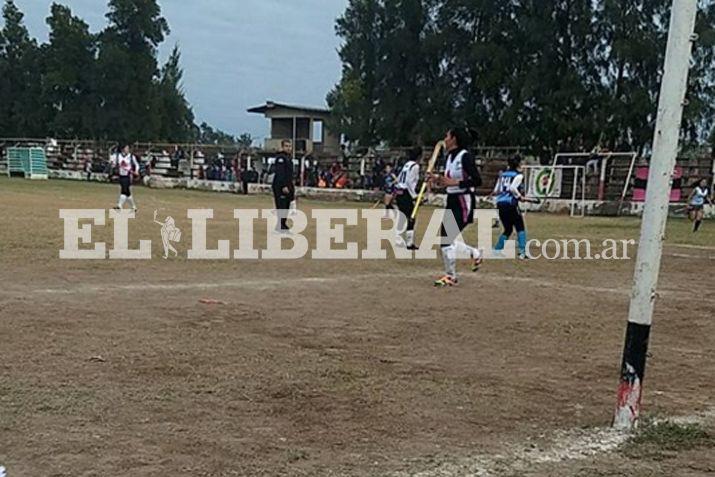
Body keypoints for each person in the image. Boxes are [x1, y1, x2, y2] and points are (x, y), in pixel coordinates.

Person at [428, 128, 484, 287]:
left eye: (447, 136)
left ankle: (451, 276)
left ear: (454, 139)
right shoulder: (449, 157)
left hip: (463, 200)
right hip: (452, 199)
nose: (444, 139)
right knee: (446, 238)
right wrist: (437, 179)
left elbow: (477, 180)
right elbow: (449, 180)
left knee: (447, 238)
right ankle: (474, 253)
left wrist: (456, 183)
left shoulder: (464, 156)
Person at [493, 156, 528, 259]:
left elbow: (496, 190)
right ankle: (522, 252)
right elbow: (513, 188)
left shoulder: (502, 175)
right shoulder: (518, 175)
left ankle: (497, 250)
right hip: (510, 204)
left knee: (508, 229)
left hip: (500, 204)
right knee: (520, 227)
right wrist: (519, 197)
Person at [394, 147, 422, 250]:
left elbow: (400, 178)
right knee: (410, 217)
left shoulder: (407, 164)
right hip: (405, 192)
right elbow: (410, 182)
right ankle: (409, 243)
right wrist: (414, 196)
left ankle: (399, 239)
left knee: (403, 217)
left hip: (399, 191)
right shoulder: (415, 166)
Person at [272, 140, 295, 233]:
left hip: (288, 184)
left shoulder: (288, 158)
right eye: (286, 146)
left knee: (286, 206)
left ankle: (282, 224)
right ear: (282, 147)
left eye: (290, 146)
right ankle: (281, 225)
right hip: (280, 185)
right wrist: (284, 186)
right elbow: (280, 174)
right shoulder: (280, 158)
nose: (288, 148)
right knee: (281, 205)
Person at [111, 144, 140, 212]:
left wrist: (136, 171)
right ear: (122, 149)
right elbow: (113, 164)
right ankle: (133, 207)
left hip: (128, 176)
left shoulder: (131, 156)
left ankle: (119, 206)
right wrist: (113, 164)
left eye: (128, 148)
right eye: (126, 148)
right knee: (127, 192)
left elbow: (137, 164)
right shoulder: (118, 156)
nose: (127, 149)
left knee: (124, 190)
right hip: (121, 175)